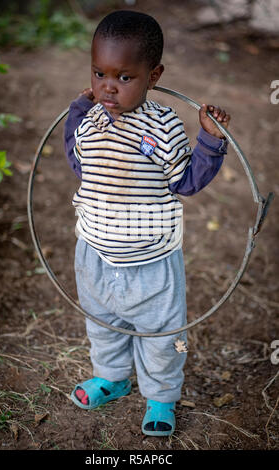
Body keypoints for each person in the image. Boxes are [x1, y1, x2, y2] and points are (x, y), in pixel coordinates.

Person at [64, 10, 230, 437]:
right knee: (103, 325)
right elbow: (78, 162)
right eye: (100, 73)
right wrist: (78, 109)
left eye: (124, 77)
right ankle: (113, 378)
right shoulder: (92, 121)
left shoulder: (163, 125)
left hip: (151, 261)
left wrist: (209, 140)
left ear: (153, 75)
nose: (107, 86)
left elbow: (187, 180)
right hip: (96, 254)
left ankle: (160, 397)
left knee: (161, 336)